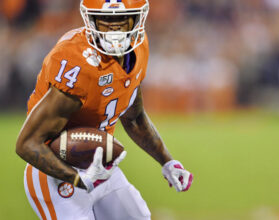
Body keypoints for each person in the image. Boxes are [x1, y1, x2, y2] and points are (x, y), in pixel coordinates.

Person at [15, 0, 193, 219]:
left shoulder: (139, 49)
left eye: (121, 19)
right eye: (106, 19)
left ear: (137, 19)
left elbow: (134, 118)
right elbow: (27, 143)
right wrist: (78, 178)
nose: (114, 28)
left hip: (100, 166)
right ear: (91, 20)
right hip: (55, 176)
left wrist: (167, 161)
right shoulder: (76, 61)